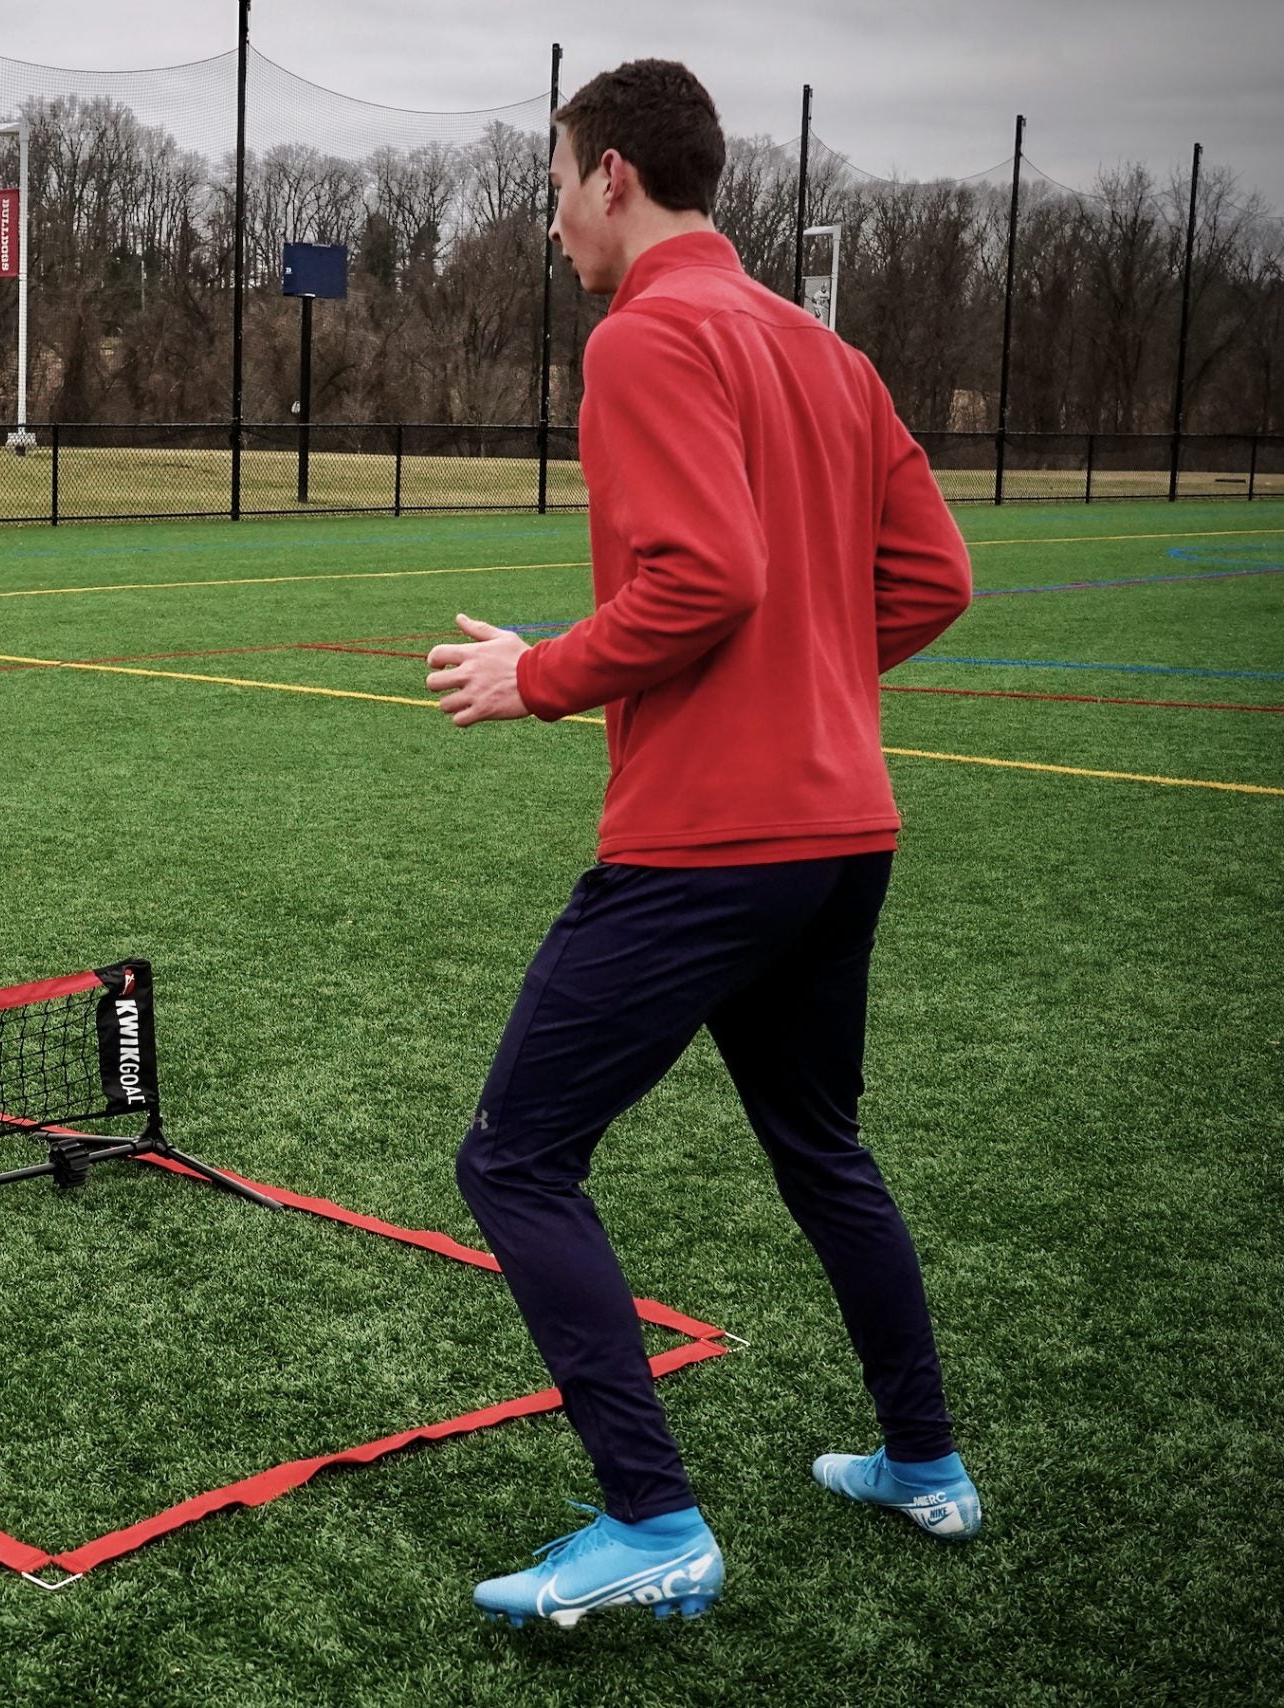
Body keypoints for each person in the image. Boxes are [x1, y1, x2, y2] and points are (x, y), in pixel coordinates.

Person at [422, 60, 979, 1629]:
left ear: (612, 177)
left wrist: (536, 674)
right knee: (823, 1149)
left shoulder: (645, 333)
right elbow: (930, 578)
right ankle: (924, 1462)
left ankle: (652, 1519)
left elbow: (707, 578)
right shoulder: (826, 348)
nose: (548, 223)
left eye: (551, 187)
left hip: (712, 846)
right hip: (840, 830)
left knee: (516, 1155)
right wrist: (803, 682)